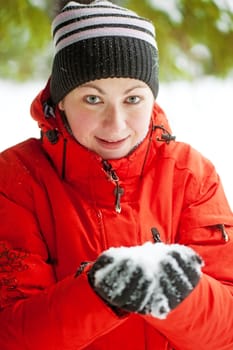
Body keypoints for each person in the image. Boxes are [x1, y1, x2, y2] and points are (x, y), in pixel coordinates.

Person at [0, 0, 233, 349]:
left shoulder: (191, 174)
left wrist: (182, 295)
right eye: (93, 99)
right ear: (61, 100)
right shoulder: (16, 180)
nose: (116, 124)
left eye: (133, 99)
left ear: (151, 99)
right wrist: (98, 293)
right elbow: (11, 334)